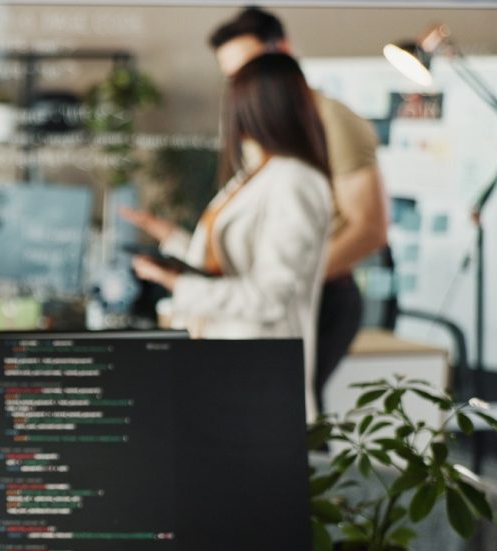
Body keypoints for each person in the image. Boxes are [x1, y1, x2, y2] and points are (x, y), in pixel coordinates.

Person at [138, 6, 388, 407]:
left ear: (280, 56)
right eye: (233, 76)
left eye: (249, 71)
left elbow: (368, 229)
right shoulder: (260, 167)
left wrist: (299, 276)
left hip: (314, 300)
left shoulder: (317, 146)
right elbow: (246, 256)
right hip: (248, 324)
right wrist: (176, 245)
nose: (240, 85)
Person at [122, 52, 334, 418]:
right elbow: (224, 267)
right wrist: (171, 239)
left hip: (256, 376)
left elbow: (269, 297)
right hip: (226, 368)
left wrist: (177, 284)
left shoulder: (294, 181)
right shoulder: (257, 174)